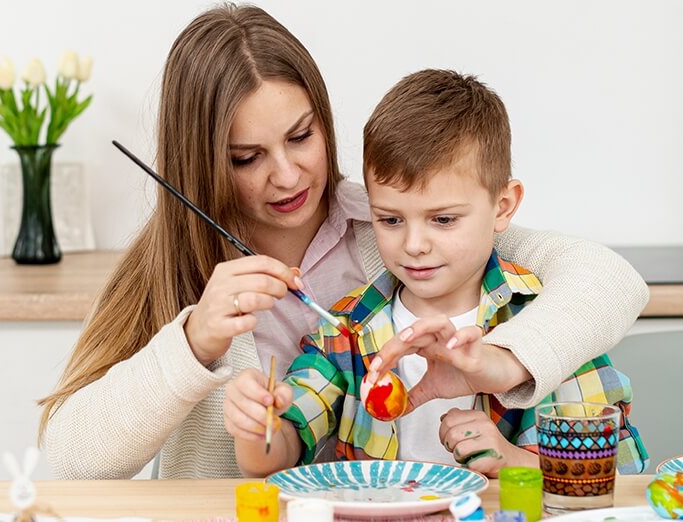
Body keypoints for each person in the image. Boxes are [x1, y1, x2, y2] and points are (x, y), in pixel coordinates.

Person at [39, 4, 648, 480]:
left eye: (301, 136)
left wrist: (500, 367)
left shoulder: (390, 216)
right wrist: (195, 342)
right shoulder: (178, 270)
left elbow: (609, 281)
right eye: (247, 157)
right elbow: (71, 458)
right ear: (202, 163)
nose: (286, 175)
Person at [225, 69, 649, 478]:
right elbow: (274, 457)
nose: (413, 245)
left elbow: (615, 474)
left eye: (443, 220)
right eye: (390, 220)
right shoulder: (347, 329)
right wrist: (255, 425)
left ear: (503, 207)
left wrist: (511, 459)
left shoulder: (550, 322)